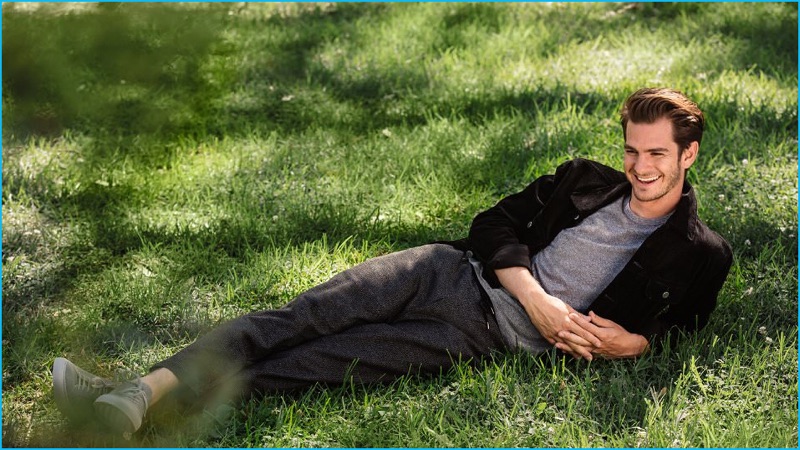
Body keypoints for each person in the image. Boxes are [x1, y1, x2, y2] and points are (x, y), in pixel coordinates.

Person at [52, 87, 733, 435]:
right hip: (446, 271)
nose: (641, 167)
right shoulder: (583, 178)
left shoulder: (701, 253)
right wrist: (534, 295)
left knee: (310, 368)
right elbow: (492, 224)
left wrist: (636, 341)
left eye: (657, 155)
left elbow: (686, 326)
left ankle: (124, 409)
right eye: (633, 150)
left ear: (689, 155)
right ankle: (141, 391)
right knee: (300, 316)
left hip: (476, 336)